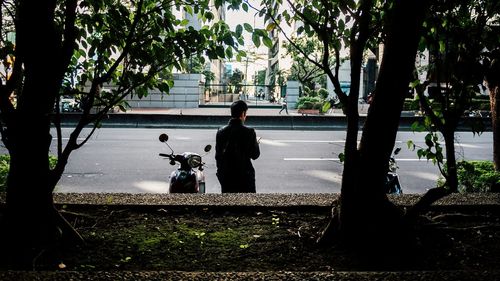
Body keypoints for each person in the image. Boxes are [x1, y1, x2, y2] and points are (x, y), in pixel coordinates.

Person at [215, 100, 260, 193]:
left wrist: (221, 174)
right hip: (245, 176)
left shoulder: (221, 131)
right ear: (243, 114)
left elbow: (218, 156)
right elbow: (255, 155)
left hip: (227, 176)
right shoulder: (249, 132)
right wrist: (255, 143)